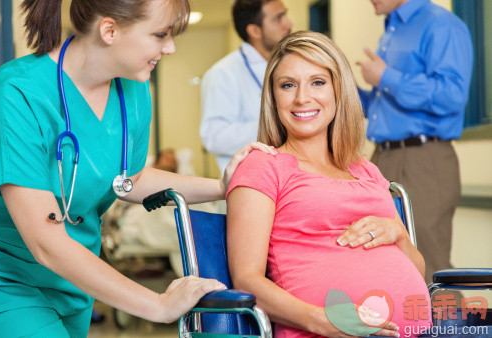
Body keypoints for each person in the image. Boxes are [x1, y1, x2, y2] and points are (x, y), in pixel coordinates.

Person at [0, 0, 277, 336]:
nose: (170, 48)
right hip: (5, 280)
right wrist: (157, 304)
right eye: (160, 35)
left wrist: (223, 187)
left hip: (76, 282)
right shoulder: (16, 93)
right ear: (109, 30)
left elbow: (131, 178)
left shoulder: (133, 90)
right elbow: (46, 243)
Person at [226, 31, 432, 338]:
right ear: (273, 97)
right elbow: (246, 279)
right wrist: (320, 320)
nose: (302, 98)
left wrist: (399, 235)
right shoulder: (262, 167)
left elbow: (416, 270)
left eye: (318, 82)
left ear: (339, 89)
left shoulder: (366, 170)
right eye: (287, 85)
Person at [356, 0, 473, 283]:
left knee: (429, 265)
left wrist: (386, 77)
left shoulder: (441, 24)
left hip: (423, 159)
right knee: (383, 263)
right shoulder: (393, 29)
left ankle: (451, 329)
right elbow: (389, 107)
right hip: (382, 158)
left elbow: (452, 96)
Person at [200, 0, 292, 175]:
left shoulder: (287, 65)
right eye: (279, 18)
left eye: (285, 15)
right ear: (255, 30)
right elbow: (213, 138)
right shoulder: (223, 73)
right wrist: (276, 123)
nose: (288, 23)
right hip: (248, 184)